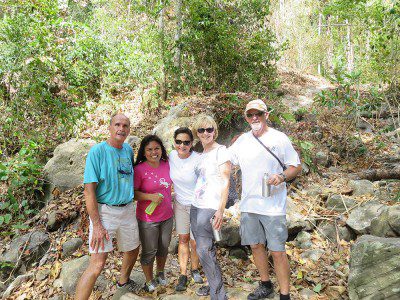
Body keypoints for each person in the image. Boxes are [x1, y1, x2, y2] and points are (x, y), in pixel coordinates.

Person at [229, 99, 302, 300]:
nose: (254, 118)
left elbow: (296, 166)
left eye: (258, 114)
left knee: (277, 251)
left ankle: (285, 294)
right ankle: (265, 284)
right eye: (250, 115)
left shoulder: (279, 138)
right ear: (246, 118)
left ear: (266, 115)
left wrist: (282, 176)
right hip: (249, 204)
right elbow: (226, 161)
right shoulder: (242, 140)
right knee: (255, 245)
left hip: (273, 206)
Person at [75, 113, 140, 300]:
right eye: (117, 124)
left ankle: (123, 282)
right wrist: (96, 225)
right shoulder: (98, 152)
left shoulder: (127, 150)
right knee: (97, 264)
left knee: (133, 248)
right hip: (106, 212)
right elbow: (89, 191)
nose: (121, 128)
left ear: (129, 130)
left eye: (125, 125)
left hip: (127, 210)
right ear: (110, 127)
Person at [191, 115, 231, 300]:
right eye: (201, 130)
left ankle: (219, 295)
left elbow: (226, 181)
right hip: (196, 206)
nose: (206, 133)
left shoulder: (221, 151)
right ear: (197, 133)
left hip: (210, 207)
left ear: (215, 131)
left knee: (204, 250)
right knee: (202, 248)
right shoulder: (200, 155)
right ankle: (213, 286)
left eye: (209, 129)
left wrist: (220, 210)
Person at [134, 135, 173, 292]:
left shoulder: (167, 164)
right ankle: (149, 280)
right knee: (150, 250)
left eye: (156, 148)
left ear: (161, 149)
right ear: (144, 152)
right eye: (149, 149)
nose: (153, 152)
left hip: (167, 215)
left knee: (164, 247)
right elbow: (133, 194)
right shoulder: (139, 169)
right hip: (147, 219)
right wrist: (150, 197)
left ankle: (160, 273)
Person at [169, 127, 204, 291]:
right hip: (180, 204)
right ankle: (183, 274)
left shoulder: (198, 159)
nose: (182, 145)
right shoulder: (171, 156)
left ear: (192, 143)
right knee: (183, 239)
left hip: (197, 205)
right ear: (174, 142)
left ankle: (195, 269)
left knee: (195, 240)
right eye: (178, 142)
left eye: (186, 142)